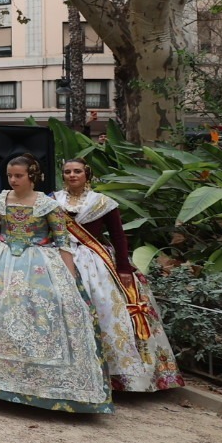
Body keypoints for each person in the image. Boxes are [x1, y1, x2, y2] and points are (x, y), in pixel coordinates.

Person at [0, 155, 111, 413]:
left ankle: (41, 384)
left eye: (18, 176)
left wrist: (69, 281)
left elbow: (62, 240)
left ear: (31, 176)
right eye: (10, 175)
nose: (13, 180)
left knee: (41, 315)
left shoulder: (48, 205)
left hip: (40, 264)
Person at [55, 159, 181, 392]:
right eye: (67, 172)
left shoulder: (103, 202)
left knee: (106, 312)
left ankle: (116, 375)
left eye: (77, 171)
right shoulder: (52, 201)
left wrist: (123, 267)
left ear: (87, 174)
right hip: (60, 258)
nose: (72, 175)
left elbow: (119, 236)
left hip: (95, 262)